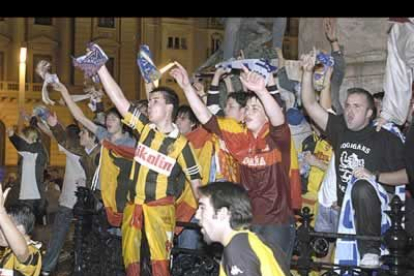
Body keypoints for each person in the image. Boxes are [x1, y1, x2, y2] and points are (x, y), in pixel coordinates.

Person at [72, 42, 203, 276]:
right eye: (149, 101)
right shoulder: (145, 130)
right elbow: (120, 100)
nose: (148, 105)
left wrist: (204, 209)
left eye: (155, 101)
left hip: (161, 211)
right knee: (130, 263)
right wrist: (101, 68)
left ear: (170, 107)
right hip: (133, 208)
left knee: (160, 266)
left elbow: (196, 181)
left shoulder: (182, 145)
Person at [171, 62, 296, 266]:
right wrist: (186, 87)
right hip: (245, 222)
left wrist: (262, 91)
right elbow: (206, 117)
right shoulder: (239, 138)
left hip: (276, 222)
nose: (248, 112)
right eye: (246, 108)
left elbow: (278, 117)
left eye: (255, 108)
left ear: (266, 114)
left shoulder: (277, 138)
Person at [300, 50, 406, 268]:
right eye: (347, 105)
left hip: (375, 219)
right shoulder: (340, 128)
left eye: (356, 107)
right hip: (344, 213)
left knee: (362, 187)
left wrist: (374, 176)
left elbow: (407, 175)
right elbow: (310, 105)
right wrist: (307, 72)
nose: (349, 111)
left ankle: (371, 251)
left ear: (370, 113)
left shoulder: (385, 137)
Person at [195, 181, 288, 276]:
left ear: (222, 213)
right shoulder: (251, 242)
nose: (197, 215)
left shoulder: (238, 249)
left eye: (202, 208)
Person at [7, 125, 48, 226]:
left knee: (25, 227)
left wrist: (12, 136)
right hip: (26, 196)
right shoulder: (29, 153)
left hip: (32, 197)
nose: (21, 140)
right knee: (23, 227)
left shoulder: (36, 150)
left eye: (22, 137)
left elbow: (23, 146)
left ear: (30, 138)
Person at [0, 185, 42, 276]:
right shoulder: (7, 249)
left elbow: (22, 252)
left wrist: (1, 212)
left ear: (19, 230)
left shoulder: (33, 252)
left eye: (2, 228)